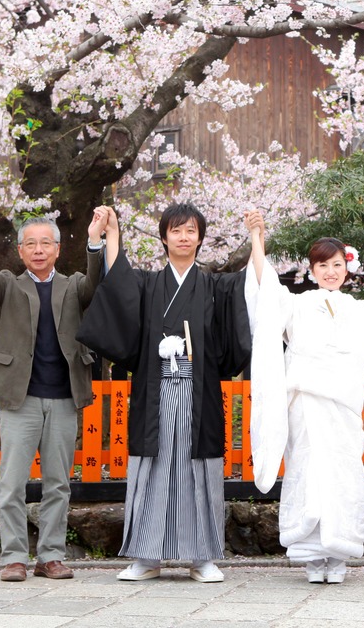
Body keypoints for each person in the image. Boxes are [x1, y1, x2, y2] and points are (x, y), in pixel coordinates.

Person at [242, 211, 364, 584]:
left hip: (344, 409)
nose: (330, 272)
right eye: (323, 265)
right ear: (312, 270)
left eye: (337, 265)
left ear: (347, 268)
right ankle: (312, 556)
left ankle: (339, 552)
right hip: (306, 406)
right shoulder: (296, 304)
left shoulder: (361, 310)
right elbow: (266, 291)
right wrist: (257, 239)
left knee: (343, 473)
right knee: (307, 471)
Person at [76, 204, 251, 583]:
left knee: (197, 469)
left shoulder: (215, 286)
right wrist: (111, 234)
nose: (183, 237)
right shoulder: (147, 284)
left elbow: (251, 287)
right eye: (176, 231)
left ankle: (202, 557)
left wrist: (257, 238)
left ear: (200, 238)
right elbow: (118, 282)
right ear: (164, 237)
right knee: (152, 468)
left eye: (190, 231)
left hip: (198, 393)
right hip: (155, 392)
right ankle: (146, 556)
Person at [0, 192, 108, 582]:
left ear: (58, 249)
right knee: (12, 482)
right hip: (20, 398)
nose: (39, 250)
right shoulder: (8, 286)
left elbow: (97, 283)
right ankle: (14, 557)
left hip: (63, 397)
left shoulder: (73, 286)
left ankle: (50, 556)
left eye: (46, 243)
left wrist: (95, 239)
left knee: (58, 483)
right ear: (20, 251)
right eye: (31, 244)